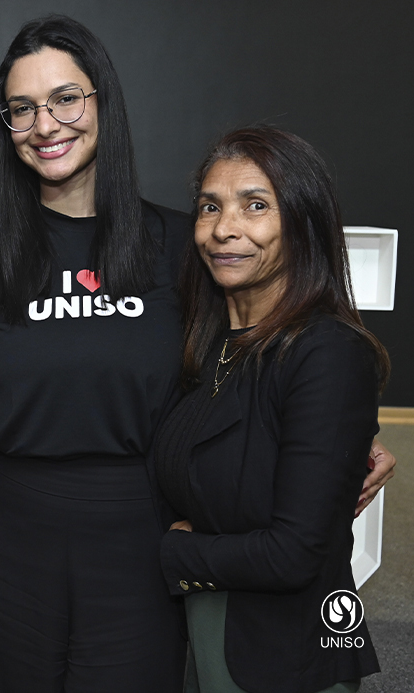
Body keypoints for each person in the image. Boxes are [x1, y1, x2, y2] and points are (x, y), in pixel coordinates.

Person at [0, 15, 395, 692]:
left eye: (66, 98)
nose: (45, 124)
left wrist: (347, 436)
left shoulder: (185, 244)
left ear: (104, 102)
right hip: (14, 525)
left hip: (146, 526)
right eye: (22, 108)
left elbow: (266, 351)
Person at [154, 126, 385, 693]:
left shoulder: (328, 352)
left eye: (255, 205)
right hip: (212, 632)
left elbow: (293, 554)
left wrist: (174, 548)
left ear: (303, 223)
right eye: (210, 207)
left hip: (289, 653)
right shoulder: (207, 345)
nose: (224, 228)